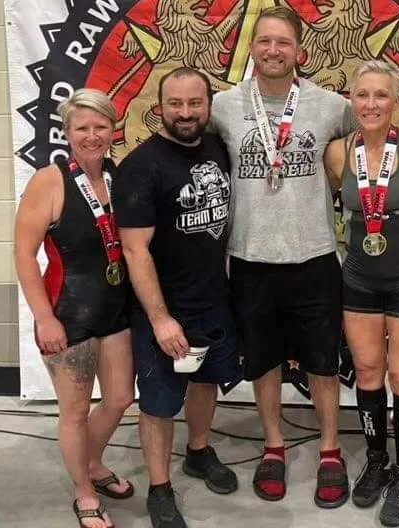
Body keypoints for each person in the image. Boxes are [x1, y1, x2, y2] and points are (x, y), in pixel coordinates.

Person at [210, 5, 355, 509]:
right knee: (263, 361)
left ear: (300, 52)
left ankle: (330, 448)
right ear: (252, 48)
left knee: (323, 362)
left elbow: (373, 144)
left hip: (313, 255)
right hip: (250, 258)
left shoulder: (332, 106)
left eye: (283, 42)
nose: (273, 50)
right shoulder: (222, 106)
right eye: (264, 41)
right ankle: (273, 445)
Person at [112, 67, 241, 528]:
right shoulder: (140, 168)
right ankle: (160, 487)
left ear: (209, 105)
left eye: (194, 103)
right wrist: (161, 318)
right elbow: (135, 249)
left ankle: (199, 452)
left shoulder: (218, 148)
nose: (185, 113)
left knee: (205, 382)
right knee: (159, 402)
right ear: (160, 107)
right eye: (175, 104)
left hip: (214, 298)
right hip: (163, 308)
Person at [323, 60, 399, 526]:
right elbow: (333, 203)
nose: (371, 104)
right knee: (369, 373)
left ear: (396, 100)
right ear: (352, 99)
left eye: (381, 95)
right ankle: (376, 462)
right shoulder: (337, 153)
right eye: (363, 95)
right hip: (359, 277)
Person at [14, 88, 134, 528]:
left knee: (119, 399)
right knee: (76, 411)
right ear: (66, 133)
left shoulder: (119, 177)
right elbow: (24, 254)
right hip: (67, 313)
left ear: (113, 130)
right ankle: (84, 492)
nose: (92, 135)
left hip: (114, 310)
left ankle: (93, 462)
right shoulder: (49, 181)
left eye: (100, 126)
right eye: (82, 127)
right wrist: (44, 317)